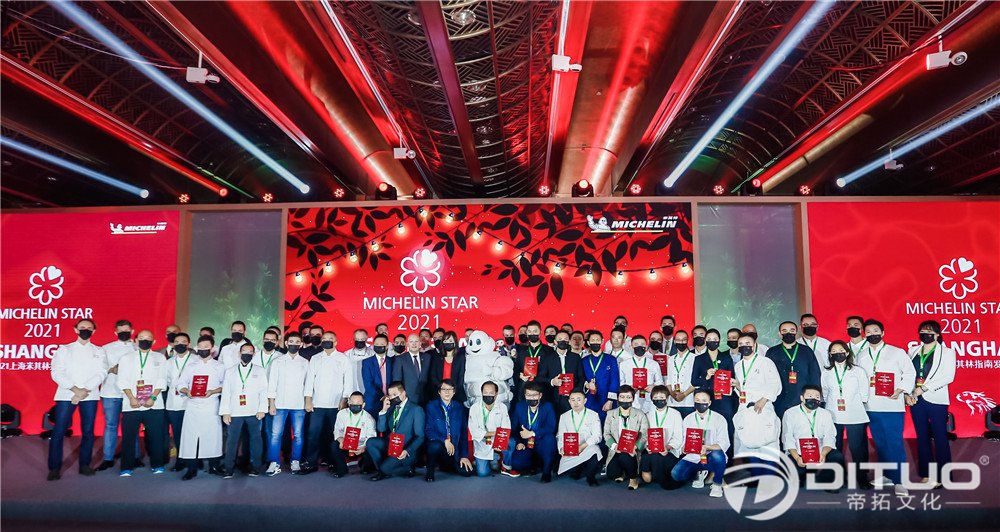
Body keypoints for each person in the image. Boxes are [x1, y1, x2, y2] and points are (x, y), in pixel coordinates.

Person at [856, 318, 914, 494]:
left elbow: (909, 373)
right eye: (868, 332)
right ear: (864, 334)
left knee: (894, 443)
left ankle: (900, 481)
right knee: (880, 443)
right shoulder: (861, 355)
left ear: (882, 333)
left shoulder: (897, 352)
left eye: (875, 331)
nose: (872, 334)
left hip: (892, 405)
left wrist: (901, 390)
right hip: (870, 406)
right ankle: (888, 475)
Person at [48, 319, 107, 480]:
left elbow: (102, 372)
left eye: (89, 328)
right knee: (59, 430)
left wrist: (84, 390)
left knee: (88, 431)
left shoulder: (99, 351)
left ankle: (84, 465)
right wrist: (75, 390)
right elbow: (56, 372)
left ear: (94, 331)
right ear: (76, 330)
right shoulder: (64, 349)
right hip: (67, 394)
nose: (85, 330)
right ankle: (54, 468)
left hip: (89, 394)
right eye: (82, 327)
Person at [906, 320, 956, 486]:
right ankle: (926, 473)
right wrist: (908, 393)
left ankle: (944, 476)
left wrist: (923, 389)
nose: (925, 334)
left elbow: (948, 376)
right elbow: (907, 374)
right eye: (922, 331)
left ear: (937, 334)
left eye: (929, 332)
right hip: (916, 399)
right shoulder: (913, 351)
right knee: (921, 436)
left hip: (936, 399)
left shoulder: (947, 353)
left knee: (940, 436)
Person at [820, 340, 872, 489]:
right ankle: (837, 477)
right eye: (834, 351)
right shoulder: (826, 372)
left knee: (858, 448)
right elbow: (825, 392)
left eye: (841, 350)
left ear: (847, 352)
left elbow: (864, 393)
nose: (838, 353)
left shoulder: (858, 371)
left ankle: (861, 477)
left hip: (855, 414)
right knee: (834, 447)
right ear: (830, 354)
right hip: (833, 414)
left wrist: (855, 402)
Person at [116, 329, 167, 476]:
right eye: (142, 338)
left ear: (154, 341)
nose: (145, 340)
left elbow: (162, 379)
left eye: (148, 338)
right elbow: (122, 380)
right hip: (131, 404)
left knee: (156, 436)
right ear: (136, 340)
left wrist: (153, 398)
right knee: (129, 437)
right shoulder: (126, 358)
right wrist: (131, 398)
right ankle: (126, 467)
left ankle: (157, 464)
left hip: (154, 404)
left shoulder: (160, 357)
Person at [302, 331, 354, 473]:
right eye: (324, 339)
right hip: (317, 403)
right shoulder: (315, 358)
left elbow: (348, 381)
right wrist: (308, 399)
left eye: (330, 339)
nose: (326, 341)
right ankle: (311, 463)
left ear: (336, 342)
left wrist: (345, 399)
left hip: (336, 404)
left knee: (332, 434)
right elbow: (309, 380)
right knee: (313, 433)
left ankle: (333, 461)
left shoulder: (343, 359)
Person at [177, 335, 225, 480]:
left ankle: (214, 466)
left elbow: (225, 386)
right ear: (196, 348)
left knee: (213, 436)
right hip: (193, 406)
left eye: (206, 347)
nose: (203, 349)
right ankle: (191, 468)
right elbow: (181, 384)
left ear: (212, 348)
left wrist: (213, 391)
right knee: (190, 437)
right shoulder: (190, 366)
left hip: (211, 405)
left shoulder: (219, 366)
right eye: (200, 347)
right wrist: (187, 391)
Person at [781, 385, 845, 491]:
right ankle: (802, 475)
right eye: (810, 396)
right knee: (796, 480)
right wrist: (797, 458)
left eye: (817, 397)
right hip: (798, 452)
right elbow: (787, 439)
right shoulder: (790, 413)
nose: (814, 399)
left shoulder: (825, 414)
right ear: (802, 398)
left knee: (837, 457)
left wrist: (823, 454)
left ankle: (826, 480)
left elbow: (830, 436)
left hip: (820, 451)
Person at [220, 343, 268, 478]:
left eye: (250, 352)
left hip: (254, 411)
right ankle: (228, 468)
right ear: (239, 353)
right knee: (232, 440)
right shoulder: (230, 371)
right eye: (244, 351)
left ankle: (256, 467)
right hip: (234, 411)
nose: (247, 354)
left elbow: (264, 391)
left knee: (255, 440)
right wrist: (225, 412)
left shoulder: (260, 370)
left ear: (254, 354)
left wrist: (262, 409)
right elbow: (226, 392)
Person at [265, 333, 310, 476]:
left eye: (297, 342)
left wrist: (308, 401)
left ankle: (295, 461)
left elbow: (308, 384)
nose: (294, 344)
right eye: (291, 341)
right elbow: (272, 383)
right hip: (280, 403)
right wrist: (271, 403)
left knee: (298, 435)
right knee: (275, 434)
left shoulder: (305, 362)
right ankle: (274, 462)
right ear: (286, 343)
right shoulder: (277, 361)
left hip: (299, 404)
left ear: (301, 344)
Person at [671, 389, 729, 498]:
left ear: (709, 402)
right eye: (697, 400)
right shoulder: (688, 419)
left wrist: (707, 447)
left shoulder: (719, 419)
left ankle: (717, 483)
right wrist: (684, 447)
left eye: (704, 400)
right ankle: (700, 473)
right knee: (676, 474)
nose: (700, 403)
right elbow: (684, 440)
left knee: (718, 455)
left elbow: (724, 443)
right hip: (694, 456)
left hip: (712, 455)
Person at [97, 319, 137, 471]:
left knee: (132, 426)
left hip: (132, 393)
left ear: (132, 331)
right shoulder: (106, 348)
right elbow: (100, 368)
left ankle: (135, 456)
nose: (124, 333)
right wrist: (111, 369)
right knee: (111, 425)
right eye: (121, 331)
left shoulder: (138, 347)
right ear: (115, 333)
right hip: (110, 391)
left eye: (126, 331)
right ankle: (108, 458)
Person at [368, 382, 426, 481]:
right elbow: (381, 429)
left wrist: (407, 451)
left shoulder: (416, 409)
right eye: (390, 395)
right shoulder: (391, 408)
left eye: (395, 394)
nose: (392, 398)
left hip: (404, 448)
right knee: (371, 442)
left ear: (403, 393)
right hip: (391, 444)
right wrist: (384, 410)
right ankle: (383, 470)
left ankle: (403, 468)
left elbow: (420, 437)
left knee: (385, 467)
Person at [692, 329, 737, 449]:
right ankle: (706, 453)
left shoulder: (726, 358)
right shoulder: (699, 359)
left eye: (715, 339)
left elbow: (732, 377)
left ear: (719, 341)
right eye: (709, 339)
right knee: (708, 427)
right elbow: (694, 381)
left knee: (727, 427)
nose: (712, 342)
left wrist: (729, 384)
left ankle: (727, 456)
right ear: (705, 340)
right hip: (707, 399)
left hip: (724, 399)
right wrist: (706, 377)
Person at [766, 321, 820, 417]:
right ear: (779, 334)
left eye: (792, 331)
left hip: (802, 397)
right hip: (780, 398)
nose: (788, 333)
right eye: (784, 331)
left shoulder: (806, 351)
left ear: (796, 332)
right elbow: (767, 376)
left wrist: (813, 396)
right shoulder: (772, 352)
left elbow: (815, 374)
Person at [507, 381, 558, 481]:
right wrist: (519, 442)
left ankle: (546, 472)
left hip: (541, 441)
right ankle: (532, 465)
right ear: (525, 395)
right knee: (516, 463)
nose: (531, 398)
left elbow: (551, 428)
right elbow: (514, 428)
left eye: (534, 395)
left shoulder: (547, 406)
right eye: (528, 395)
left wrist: (532, 433)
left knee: (550, 439)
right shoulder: (519, 406)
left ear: (540, 395)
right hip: (526, 443)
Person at [423, 380, 472, 481]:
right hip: (439, 446)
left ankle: (446, 466)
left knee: (467, 472)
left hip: (453, 450)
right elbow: (429, 430)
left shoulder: (459, 408)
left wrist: (464, 456)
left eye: (450, 390)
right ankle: (430, 472)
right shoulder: (431, 407)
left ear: (454, 392)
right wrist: (444, 440)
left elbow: (463, 433)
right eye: (444, 389)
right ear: (439, 392)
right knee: (434, 445)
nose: (447, 392)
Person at [603, 385, 649, 490]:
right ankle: (623, 473)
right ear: (618, 398)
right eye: (622, 397)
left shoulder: (640, 414)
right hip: (616, 449)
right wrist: (614, 446)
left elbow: (644, 434)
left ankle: (633, 479)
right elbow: (606, 434)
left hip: (632, 450)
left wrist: (635, 447)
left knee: (625, 456)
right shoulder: (610, 414)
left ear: (633, 399)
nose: (625, 400)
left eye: (628, 397)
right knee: (612, 474)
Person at [557, 390, 603, 486]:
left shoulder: (593, 415)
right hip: (571, 448)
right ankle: (578, 469)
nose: (576, 403)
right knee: (572, 473)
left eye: (579, 399)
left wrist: (582, 446)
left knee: (595, 450)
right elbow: (560, 435)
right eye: (573, 400)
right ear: (569, 401)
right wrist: (561, 448)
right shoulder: (564, 416)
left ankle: (591, 477)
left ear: (585, 401)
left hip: (587, 446)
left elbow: (597, 436)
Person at [641, 386, 684, 490]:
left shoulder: (675, 414)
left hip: (669, 452)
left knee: (657, 458)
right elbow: (644, 435)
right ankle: (656, 475)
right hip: (651, 450)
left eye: (661, 397)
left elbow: (678, 436)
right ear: (651, 399)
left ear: (667, 398)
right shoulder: (648, 414)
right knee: (647, 478)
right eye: (655, 397)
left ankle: (661, 477)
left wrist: (668, 447)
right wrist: (647, 446)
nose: (659, 400)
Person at [468, 381, 511, 477]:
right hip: (482, 444)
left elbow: (506, 428)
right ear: (481, 393)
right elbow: (474, 430)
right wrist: (493, 433)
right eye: (485, 392)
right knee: (482, 473)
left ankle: (501, 461)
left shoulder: (502, 407)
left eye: (491, 393)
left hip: (498, 441)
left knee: (511, 443)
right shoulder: (474, 408)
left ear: (496, 394)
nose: (488, 395)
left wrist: (498, 441)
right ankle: (487, 461)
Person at [330, 392, 376, 477]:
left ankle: (364, 465)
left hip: (361, 446)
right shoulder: (342, 414)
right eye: (352, 403)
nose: (355, 405)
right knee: (334, 445)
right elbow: (337, 430)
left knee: (371, 449)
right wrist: (341, 440)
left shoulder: (369, 418)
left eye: (358, 403)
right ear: (349, 403)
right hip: (345, 444)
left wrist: (363, 448)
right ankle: (341, 469)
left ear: (363, 404)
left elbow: (371, 436)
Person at [732, 333, 781, 414]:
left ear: (754, 346)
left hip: (763, 406)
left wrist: (763, 400)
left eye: (747, 344)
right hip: (744, 405)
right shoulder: (738, 366)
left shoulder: (765, 362)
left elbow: (775, 384)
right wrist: (737, 385)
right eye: (741, 344)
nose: (744, 346)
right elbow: (742, 388)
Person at [164, 333, 191, 470]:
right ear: (173, 344)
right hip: (173, 402)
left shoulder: (196, 360)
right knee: (177, 432)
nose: (180, 344)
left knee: (192, 432)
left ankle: (194, 460)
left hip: (191, 402)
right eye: (177, 342)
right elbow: (166, 381)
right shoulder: (168, 362)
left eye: (183, 342)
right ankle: (180, 460)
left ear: (189, 344)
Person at [732, 400, 781, 477]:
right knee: (755, 463)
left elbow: (774, 433)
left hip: (766, 406)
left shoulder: (770, 412)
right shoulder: (741, 413)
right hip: (746, 406)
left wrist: (764, 399)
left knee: (768, 458)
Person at [513, 321, 556, 403]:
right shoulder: (521, 351)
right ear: (527, 333)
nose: (532, 334)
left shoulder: (549, 351)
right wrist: (520, 376)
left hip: (544, 390)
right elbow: (516, 370)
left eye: (535, 331)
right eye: (529, 331)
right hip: (525, 390)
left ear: (540, 332)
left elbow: (553, 372)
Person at [618, 335, 663, 414]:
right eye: (636, 344)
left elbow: (660, 383)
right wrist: (629, 388)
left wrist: (653, 388)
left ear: (646, 346)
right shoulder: (623, 364)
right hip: (630, 400)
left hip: (649, 399)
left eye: (642, 344)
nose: (639, 346)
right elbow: (621, 383)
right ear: (631, 346)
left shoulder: (654, 364)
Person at [582, 330, 619, 423]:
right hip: (589, 399)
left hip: (606, 399)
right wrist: (586, 385)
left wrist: (610, 400)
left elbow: (615, 381)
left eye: (597, 340)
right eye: (592, 340)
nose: (595, 342)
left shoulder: (611, 359)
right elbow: (581, 379)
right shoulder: (584, 360)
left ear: (602, 341)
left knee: (607, 425)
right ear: (588, 342)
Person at [548, 330, 585, 415]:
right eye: (560, 339)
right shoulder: (548, 358)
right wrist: (552, 382)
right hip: (554, 397)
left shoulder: (576, 357)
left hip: (572, 398)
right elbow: (541, 377)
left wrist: (575, 392)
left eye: (565, 339)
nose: (563, 341)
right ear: (555, 342)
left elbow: (581, 377)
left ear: (569, 341)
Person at [392, 334, 433, 405]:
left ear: (420, 343)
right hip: (408, 399)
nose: (414, 344)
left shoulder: (427, 357)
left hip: (426, 398)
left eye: (416, 341)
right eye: (411, 342)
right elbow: (397, 380)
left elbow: (430, 377)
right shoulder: (400, 359)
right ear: (407, 344)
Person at [429, 331, 467, 405]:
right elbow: (433, 376)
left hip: (456, 394)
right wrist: (442, 389)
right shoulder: (437, 358)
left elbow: (461, 377)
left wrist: (452, 390)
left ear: (455, 342)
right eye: (445, 341)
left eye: (450, 341)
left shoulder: (460, 358)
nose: (448, 343)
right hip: (439, 393)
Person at [362, 335, 394, 419]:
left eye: (382, 344)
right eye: (376, 344)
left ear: (387, 346)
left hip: (391, 400)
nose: (379, 346)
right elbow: (368, 384)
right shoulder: (366, 362)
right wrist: (383, 397)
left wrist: (390, 396)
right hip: (372, 401)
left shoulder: (392, 361)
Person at [665, 330, 697, 418]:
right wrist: (672, 393)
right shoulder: (671, 359)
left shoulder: (695, 358)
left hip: (689, 402)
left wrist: (684, 394)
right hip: (672, 402)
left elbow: (696, 381)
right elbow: (668, 380)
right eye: (678, 340)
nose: (681, 342)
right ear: (674, 341)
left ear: (687, 341)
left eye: (684, 340)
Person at [344, 328, 374, 399]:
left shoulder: (373, 354)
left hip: (368, 389)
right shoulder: (346, 354)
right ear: (353, 339)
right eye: (357, 339)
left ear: (366, 339)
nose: (359, 341)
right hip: (351, 388)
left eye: (362, 339)